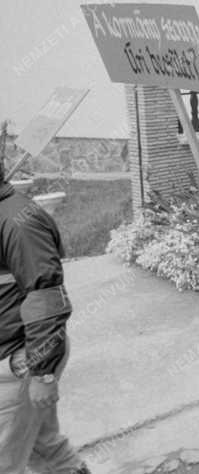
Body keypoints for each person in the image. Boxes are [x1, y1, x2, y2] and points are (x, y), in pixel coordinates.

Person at [0, 171, 89, 474]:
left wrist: (43, 375)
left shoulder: (20, 221)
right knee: (45, 449)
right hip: (15, 358)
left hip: (20, 362)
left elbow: (46, 298)